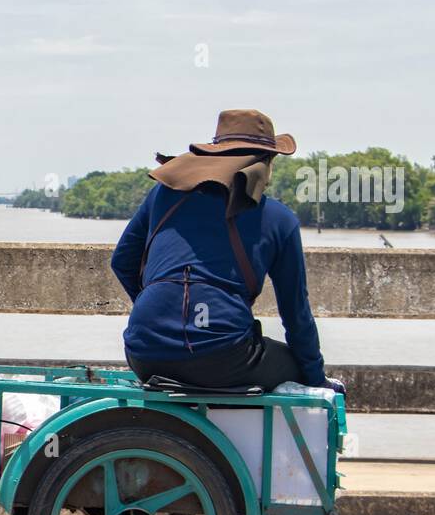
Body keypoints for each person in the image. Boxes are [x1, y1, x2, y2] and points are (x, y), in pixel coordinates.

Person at [111, 109, 343, 394]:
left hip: (144, 354)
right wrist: (315, 378)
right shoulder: (279, 218)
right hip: (224, 358)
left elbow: (122, 261)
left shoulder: (163, 194)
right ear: (265, 163)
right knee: (295, 365)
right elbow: (296, 314)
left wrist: (161, 313)